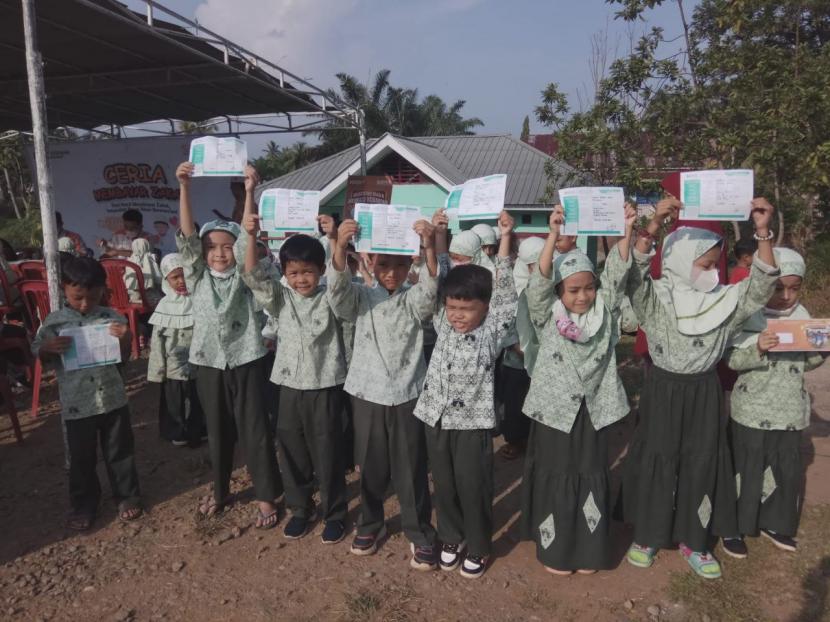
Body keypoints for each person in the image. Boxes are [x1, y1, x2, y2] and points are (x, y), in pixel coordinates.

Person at [620, 197, 779, 580]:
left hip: (704, 392)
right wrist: (654, 223)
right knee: (659, 458)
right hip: (662, 389)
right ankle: (648, 535)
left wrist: (762, 232)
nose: (711, 272)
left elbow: (761, 286)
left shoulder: (724, 301)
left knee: (701, 461)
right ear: (678, 260)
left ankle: (695, 538)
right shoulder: (656, 298)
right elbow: (631, 275)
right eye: (704, 264)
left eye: (715, 265)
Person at [521, 204, 635, 575]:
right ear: (559, 290)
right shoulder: (547, 316)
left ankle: (588, 550)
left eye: (588, 287)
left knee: (590, 471)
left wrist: (627, 228)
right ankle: (556, 550)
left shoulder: (606, 313)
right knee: (557, 470)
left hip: (595, 408)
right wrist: (553, 236)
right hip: (554, 409)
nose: (582, 296)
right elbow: (537, 286)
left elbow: (617, 275)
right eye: (573, 289)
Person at [327, 214, 439, 570]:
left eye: (400, 264)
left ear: (410, 265)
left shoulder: (412, 299)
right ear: (370, 263)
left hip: (408, 394)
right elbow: (337, 296)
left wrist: (429, 246)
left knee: (411, 467)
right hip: (368, 394)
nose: (391, 272)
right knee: (371, 465)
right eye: (384, 264)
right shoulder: (361, 297)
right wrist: (339, 246)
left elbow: (430, 293)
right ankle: (371, 524)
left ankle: (420, 532)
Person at [175, 161, 283, 529]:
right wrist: (184, 186)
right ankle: (220, 491)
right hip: (208, 362)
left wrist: (251, 191)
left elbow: (247, 240)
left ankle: (267, 494)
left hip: (247, 358)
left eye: (226, 247)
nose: (219, 253)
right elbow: (187, 236)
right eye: (212, 247)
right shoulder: (196, 277)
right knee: (217, 429)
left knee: (255, 427)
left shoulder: (245, 274)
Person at [414, 210, 517, 579]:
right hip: (436, 417)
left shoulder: (491, 332)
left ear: (485, 308)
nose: (458, 316)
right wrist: (439, 234)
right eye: (453, 308)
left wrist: (505, 238)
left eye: (467, 309)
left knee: (473, 486)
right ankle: (451, 537)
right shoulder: (442, 323)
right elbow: (442, 274)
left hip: (473, 423)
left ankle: (478, 544)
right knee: (444, 483)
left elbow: (505, 295)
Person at [240, 209, 349, 545]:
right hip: (288, 386)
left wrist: (336, 241)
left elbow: (341, 277)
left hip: (325, 385)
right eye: (294, 272)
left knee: (327, 451)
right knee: (291, 450)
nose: (302, 279)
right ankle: (301, 508)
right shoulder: (280, 297)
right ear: (285, 273)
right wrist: (250, 237)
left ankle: (335, 514)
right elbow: (253, 275)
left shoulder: (332, 295)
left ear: (320, 271)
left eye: (308, 272)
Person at [722, 248, 826, 556]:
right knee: (746, 467)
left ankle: (775, 522)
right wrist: (759, 349)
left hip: (790, 411)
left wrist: (821, 351)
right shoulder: (748, 316)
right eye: (778, 287)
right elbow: (732, 360)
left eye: (794, 288)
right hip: (751, 411)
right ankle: (735, 526)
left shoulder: (803, 319)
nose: (786, 295)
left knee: (784, 469)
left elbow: (805, 365)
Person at [31, 256, 141, 530]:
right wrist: (48, 348)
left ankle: (128, 497)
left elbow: (124, 357)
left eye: (91, 298)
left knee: (120, 452)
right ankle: (83, 504)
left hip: (113, 399)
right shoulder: (55, 323)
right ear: (64, 289)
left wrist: (125, 338)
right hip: (77, 405)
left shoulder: (111, 318)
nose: (84, 304)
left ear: (102, 290)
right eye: (77, 297)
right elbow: (39, 352)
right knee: (81, 458)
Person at [147, 253, 205, 447]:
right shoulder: (164, 306)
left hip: (199, 363)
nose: (181, 281)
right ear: (166, 279)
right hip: (173, 366)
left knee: (199, 399)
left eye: (184, 275)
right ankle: (177, 432)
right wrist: (158, 370)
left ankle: (200, 430)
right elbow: (157, 341)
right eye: (174, 277)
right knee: (174, 401)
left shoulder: (200, 300)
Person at [497, 236, 545, 460]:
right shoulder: (514, 286)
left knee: (537, 400)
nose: (537, 268)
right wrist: (515, 344)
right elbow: (504, 318)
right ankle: (515, 440)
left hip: (542, 358)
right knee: (515, 402)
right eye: (532, 264)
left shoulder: (550, 282)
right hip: (516, 358)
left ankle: (535, 440)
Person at [125, 238, 163, 305]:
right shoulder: (150, 258)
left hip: (133, 294)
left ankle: (135, 299)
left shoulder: (129, 260)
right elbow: (158, 277)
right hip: (148, 293)